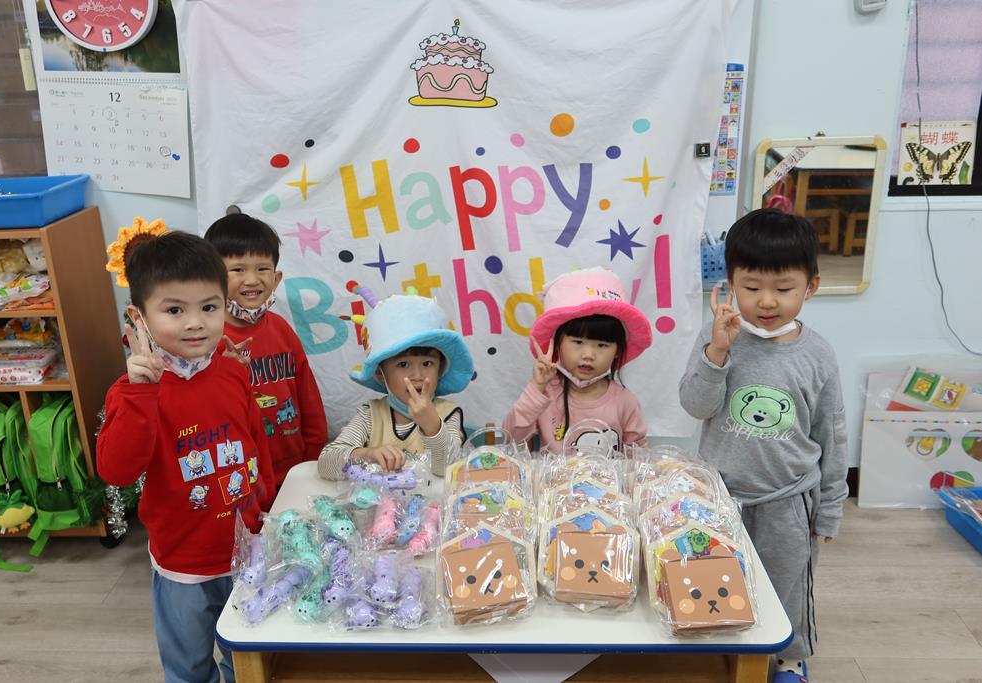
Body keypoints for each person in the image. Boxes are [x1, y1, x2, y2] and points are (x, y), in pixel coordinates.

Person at [678, 208, 848, 683]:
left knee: (786, 585)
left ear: (811, 287)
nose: (766, 301)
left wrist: (831, 509)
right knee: (716, 575)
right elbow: (695, 405)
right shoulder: (717, 337)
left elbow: (832, 434)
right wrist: (717, 352)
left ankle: (791, 657)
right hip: (719, 498)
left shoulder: (817, 354)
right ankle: (724, 646)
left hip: (787, 500)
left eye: (784, 288)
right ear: (730, 283)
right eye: (751, 287)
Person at [98, 229, 275, 683]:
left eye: (209, 308)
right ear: (138, 318)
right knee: (189, 669)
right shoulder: (133, 393)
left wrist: (268, 514)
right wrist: (141, 394)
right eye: (175, 310)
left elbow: (256, 448)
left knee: (249, 662)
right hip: (183, 566)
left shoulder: (233, 374)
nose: (196, 323)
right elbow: (116, 471)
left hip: (247, 553)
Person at [205, 213, 327, 488]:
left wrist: (314, 452)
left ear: (276, 278)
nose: (251, 280)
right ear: (213, 277)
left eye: (262, 269)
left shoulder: (282, 329)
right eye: (238, 270)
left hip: (296, 469)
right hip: (241, 476)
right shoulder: (207, 339)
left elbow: (307, 394)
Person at [317, 286, 474, 480]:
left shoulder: (448, 413)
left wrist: (433, 426)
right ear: (381, 374)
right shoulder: (370, 415)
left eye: (427, 363)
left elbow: (449, 471)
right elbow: (325, 465)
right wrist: (367, 454)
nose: (417, 375)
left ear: (440, 369)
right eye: (403, 364)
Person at [503, 267, 652, 454]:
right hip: (554, 475)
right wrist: (537, 386)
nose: (588, 355)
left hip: (607, 475)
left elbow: (638, 458)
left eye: (602, 345)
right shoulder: (546, 394)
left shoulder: (625, 402)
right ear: (558, 343)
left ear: (617, 351)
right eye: (578, 342)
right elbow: (511, 440)